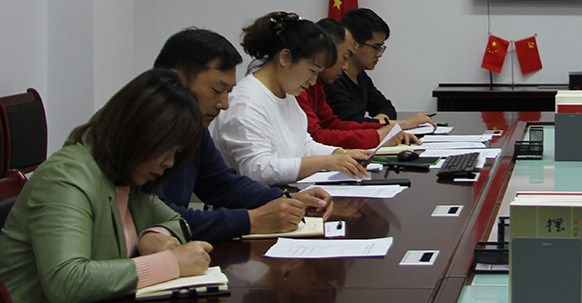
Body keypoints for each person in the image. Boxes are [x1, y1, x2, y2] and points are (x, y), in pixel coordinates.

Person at [0, 69, 214, 303]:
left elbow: (176, 220)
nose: (169, 162)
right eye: (166, 148)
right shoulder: (66, 177)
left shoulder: (127, 176)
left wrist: (152, 235)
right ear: (137, 134)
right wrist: (170, 264)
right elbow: (66, 282)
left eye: (177, 153)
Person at [154, 27, 334, 240]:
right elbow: (159, 217)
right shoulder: (139, 130)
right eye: (216, 91)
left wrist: (287, 200)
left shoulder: (193, 128)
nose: (224, 104)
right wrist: (251, 221)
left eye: (228, 92)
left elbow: (222, 185)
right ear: (175, 81)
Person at [210, 12, 371, 186]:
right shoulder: (246, 103)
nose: (313, 81)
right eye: (312, 71)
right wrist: (324, 162)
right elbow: (257, 170)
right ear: (285, 58)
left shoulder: (286, 94)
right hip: (254, 201)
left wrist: (339, 154)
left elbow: (304, 145)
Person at [298, 18, 419, 149]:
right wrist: (376, 136)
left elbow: (331, 124)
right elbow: (316, 136)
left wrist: (385, 129)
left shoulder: (317, 84)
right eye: (345, 58)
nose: (345, 67)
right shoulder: (301, 86)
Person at [326, 7, 433, 129]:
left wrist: (380, 121)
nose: (379, 54)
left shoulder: (361, 76)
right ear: (354, 44)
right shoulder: (333, 80)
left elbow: (386, 107)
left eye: (381, 48)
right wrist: (406, 123)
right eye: (375, 47)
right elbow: (352, 123)